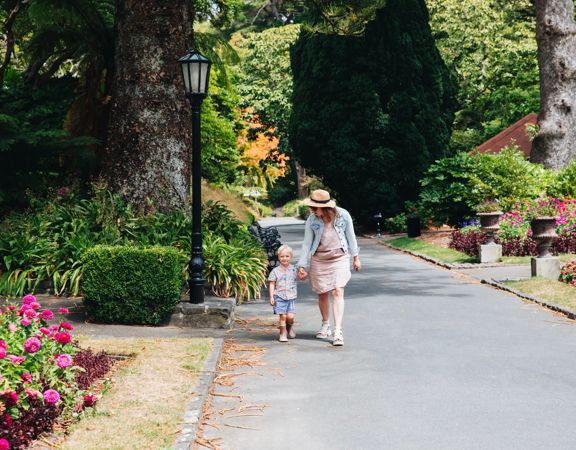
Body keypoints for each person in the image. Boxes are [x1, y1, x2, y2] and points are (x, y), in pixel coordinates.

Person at [297, 189, 360, 346]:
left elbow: (351, 236)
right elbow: (306, 243)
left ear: (325, 207)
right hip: (319, 259)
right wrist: (302, 265)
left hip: (339, 258)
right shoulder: (312, 220)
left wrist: (356, 258)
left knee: (338, 291)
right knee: (322, 293)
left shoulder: (343, 215)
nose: (313, 211)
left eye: (315, 208)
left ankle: (338, 330)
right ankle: (326, 324)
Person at [269, 244, 298, 342]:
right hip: (279, 297)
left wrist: (303, 275)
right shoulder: (275, 271)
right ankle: (282, 333)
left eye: (287, 256)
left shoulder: (294, 269)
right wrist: (271, 296)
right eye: (282, 256)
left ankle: (289, 328)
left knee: (290, 317)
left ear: (291, 257)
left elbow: (301, 278)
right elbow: (272, 283)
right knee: (283, 316)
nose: (284, 258)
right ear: (278, 257)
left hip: (291, 297)